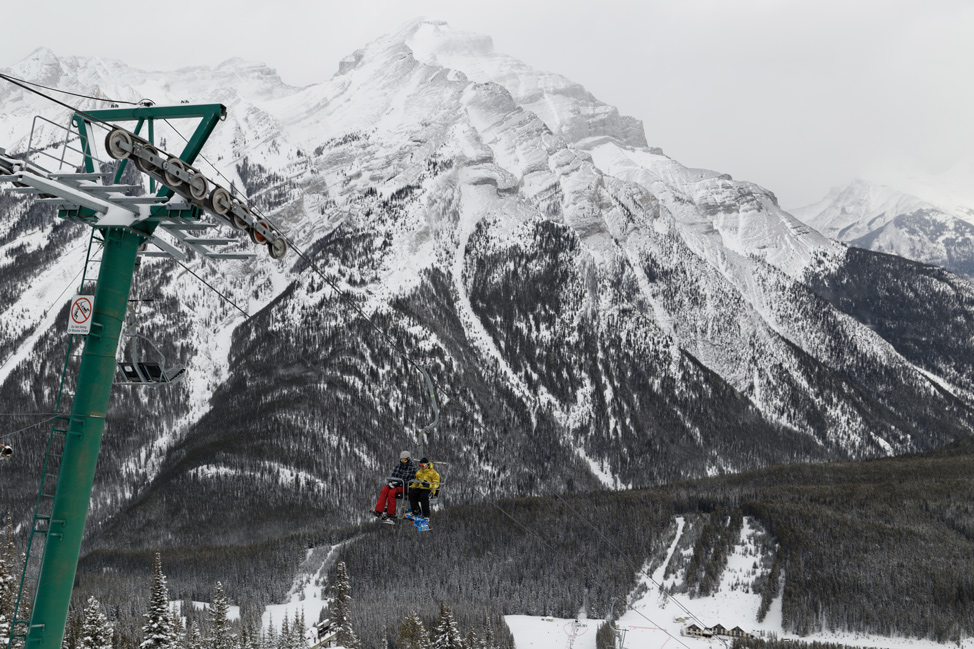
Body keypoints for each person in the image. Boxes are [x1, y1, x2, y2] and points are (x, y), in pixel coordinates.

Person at [374, 451, 416, 520]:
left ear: (408, 459)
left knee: (391, 493)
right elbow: (393, 476)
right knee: (384, 490)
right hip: (395, 485)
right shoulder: (398, 467)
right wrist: (391, 482)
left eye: (404, 460)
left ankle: (391, 513)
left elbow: (410, 481)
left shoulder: (412, 469)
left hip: (403, 487)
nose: (403, 461)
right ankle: (378, 510)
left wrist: (399, 483)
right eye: (402, 460)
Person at [408, 457, 440, 529]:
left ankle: (426, 516)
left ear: (427, 465)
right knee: (412, 494)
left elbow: (437, 484)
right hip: (420, 488)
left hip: (429, 489)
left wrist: (429, 484)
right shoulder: (419, 472)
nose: (421, 467)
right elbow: (416, 482)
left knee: (423, 497)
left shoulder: (433, 473)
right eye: (420, 465)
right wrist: (411, 486)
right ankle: (416, 512)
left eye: (422, 465)